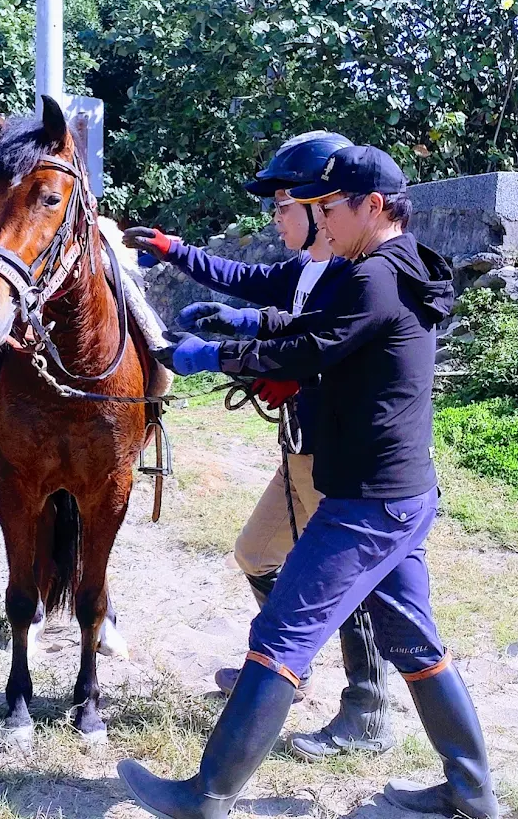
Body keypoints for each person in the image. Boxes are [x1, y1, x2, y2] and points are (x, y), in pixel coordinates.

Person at [119, 146, 498, 819]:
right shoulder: (403, 266)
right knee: (414, 642)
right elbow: (320, 330)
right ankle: (470, 790)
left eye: (328, 207)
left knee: (281, 635)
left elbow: (308, 349)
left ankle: (206, 795)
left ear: (371, 206)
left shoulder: (371, 276)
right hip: (403, 492)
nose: (321, 220)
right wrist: (245, 326)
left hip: (366, 499)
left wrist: (214, 355)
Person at [123, 131, 394, 762]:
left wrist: (260, 361)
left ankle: (367, 710)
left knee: (349, 583)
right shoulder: (306, 270)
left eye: (285, 205)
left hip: (336, 453)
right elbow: (246, 281)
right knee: (255, 553)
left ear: (321, 207)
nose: (276, 218)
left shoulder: (353, 276)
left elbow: (320, 348)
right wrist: (175, 251)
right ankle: (292, 669)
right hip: (299, 446)